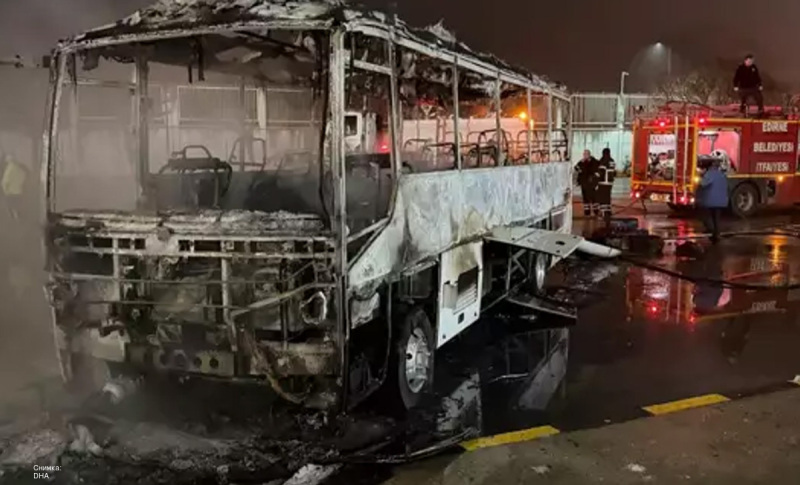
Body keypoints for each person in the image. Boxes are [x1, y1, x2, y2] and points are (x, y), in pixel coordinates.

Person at [694, 159, 728, 244]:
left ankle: (711, 231)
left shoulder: (710, 174)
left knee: (705, 217)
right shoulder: (721, 174)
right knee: (716, 219)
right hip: (721, 201)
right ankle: (716, 234)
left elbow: (703, 183)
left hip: (711, 201)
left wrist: (699, 178)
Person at [575, 149, 600, 217]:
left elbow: (597, 170)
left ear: (589, 154)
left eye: (586, 154)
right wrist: (581, 162)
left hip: (592, 184)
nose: (584, 155)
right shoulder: (582, 162)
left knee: (594, 198)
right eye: (584, 154)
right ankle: (587, 212)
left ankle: (596, 211)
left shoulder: (594, 162)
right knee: (585, 199)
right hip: (584, 183)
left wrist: (595, 181)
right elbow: (576, 168)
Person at [596, 148, 616, 225]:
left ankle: (604, 214)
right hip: (610, 183)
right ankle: (608, 212)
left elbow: (600, 173)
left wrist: (594, 178)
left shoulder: (603, 161)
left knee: (602, 199)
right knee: (608, 198)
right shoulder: (612, 161)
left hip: (603, 183)